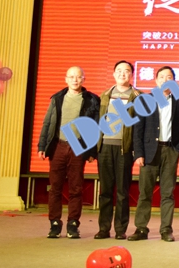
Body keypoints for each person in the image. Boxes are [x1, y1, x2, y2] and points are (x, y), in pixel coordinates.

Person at [38, 66, 100, 239]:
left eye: (78, 77)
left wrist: (92, 151)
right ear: (66, 79)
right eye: (71, 77)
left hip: (78, 146)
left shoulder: (92, 100)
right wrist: (42, 146)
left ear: (83, 79)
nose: (75, 80)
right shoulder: (57, 98)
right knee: (55, 188)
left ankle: (73, 224)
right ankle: (54, 224)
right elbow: (47, 123)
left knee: (76, 188)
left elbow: (95, 127)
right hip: (58, 145)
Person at [129, 66, 179, 242]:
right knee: (145, 192)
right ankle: (141, 228)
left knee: (167, 193)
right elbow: (137, 129)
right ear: (156, 80)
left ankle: (166, 229)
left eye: (169, 77)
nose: (165, 80)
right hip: (149, 152)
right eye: (161, 77)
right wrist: (138, 153)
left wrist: (178, 149)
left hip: (170, 151)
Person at [95, 61, 142, 240]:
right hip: (105, 147)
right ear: (114, 74)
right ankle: (103, 228)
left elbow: (139, 126)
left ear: (132, 75)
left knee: (122, 191)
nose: (123, 74)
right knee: (105, 191)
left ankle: (120, 229)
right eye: (119, 71)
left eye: (127, 71)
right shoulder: (104, 96)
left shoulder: (137, 97)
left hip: (124, 149)